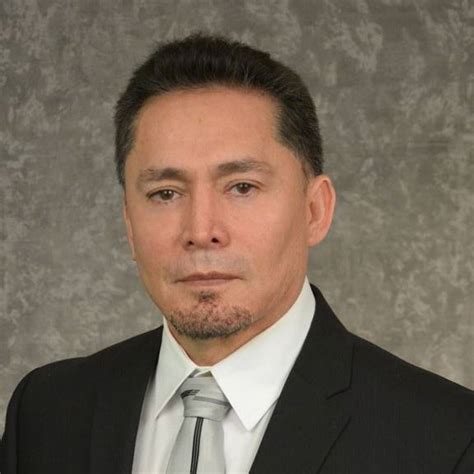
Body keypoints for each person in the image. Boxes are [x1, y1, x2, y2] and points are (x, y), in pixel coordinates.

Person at [1, 34, 473, 474]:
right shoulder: (46, 412)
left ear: (314, 210)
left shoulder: (449, 440)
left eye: (242, 187)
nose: (201, 231)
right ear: (129, 224)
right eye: (165, 193)